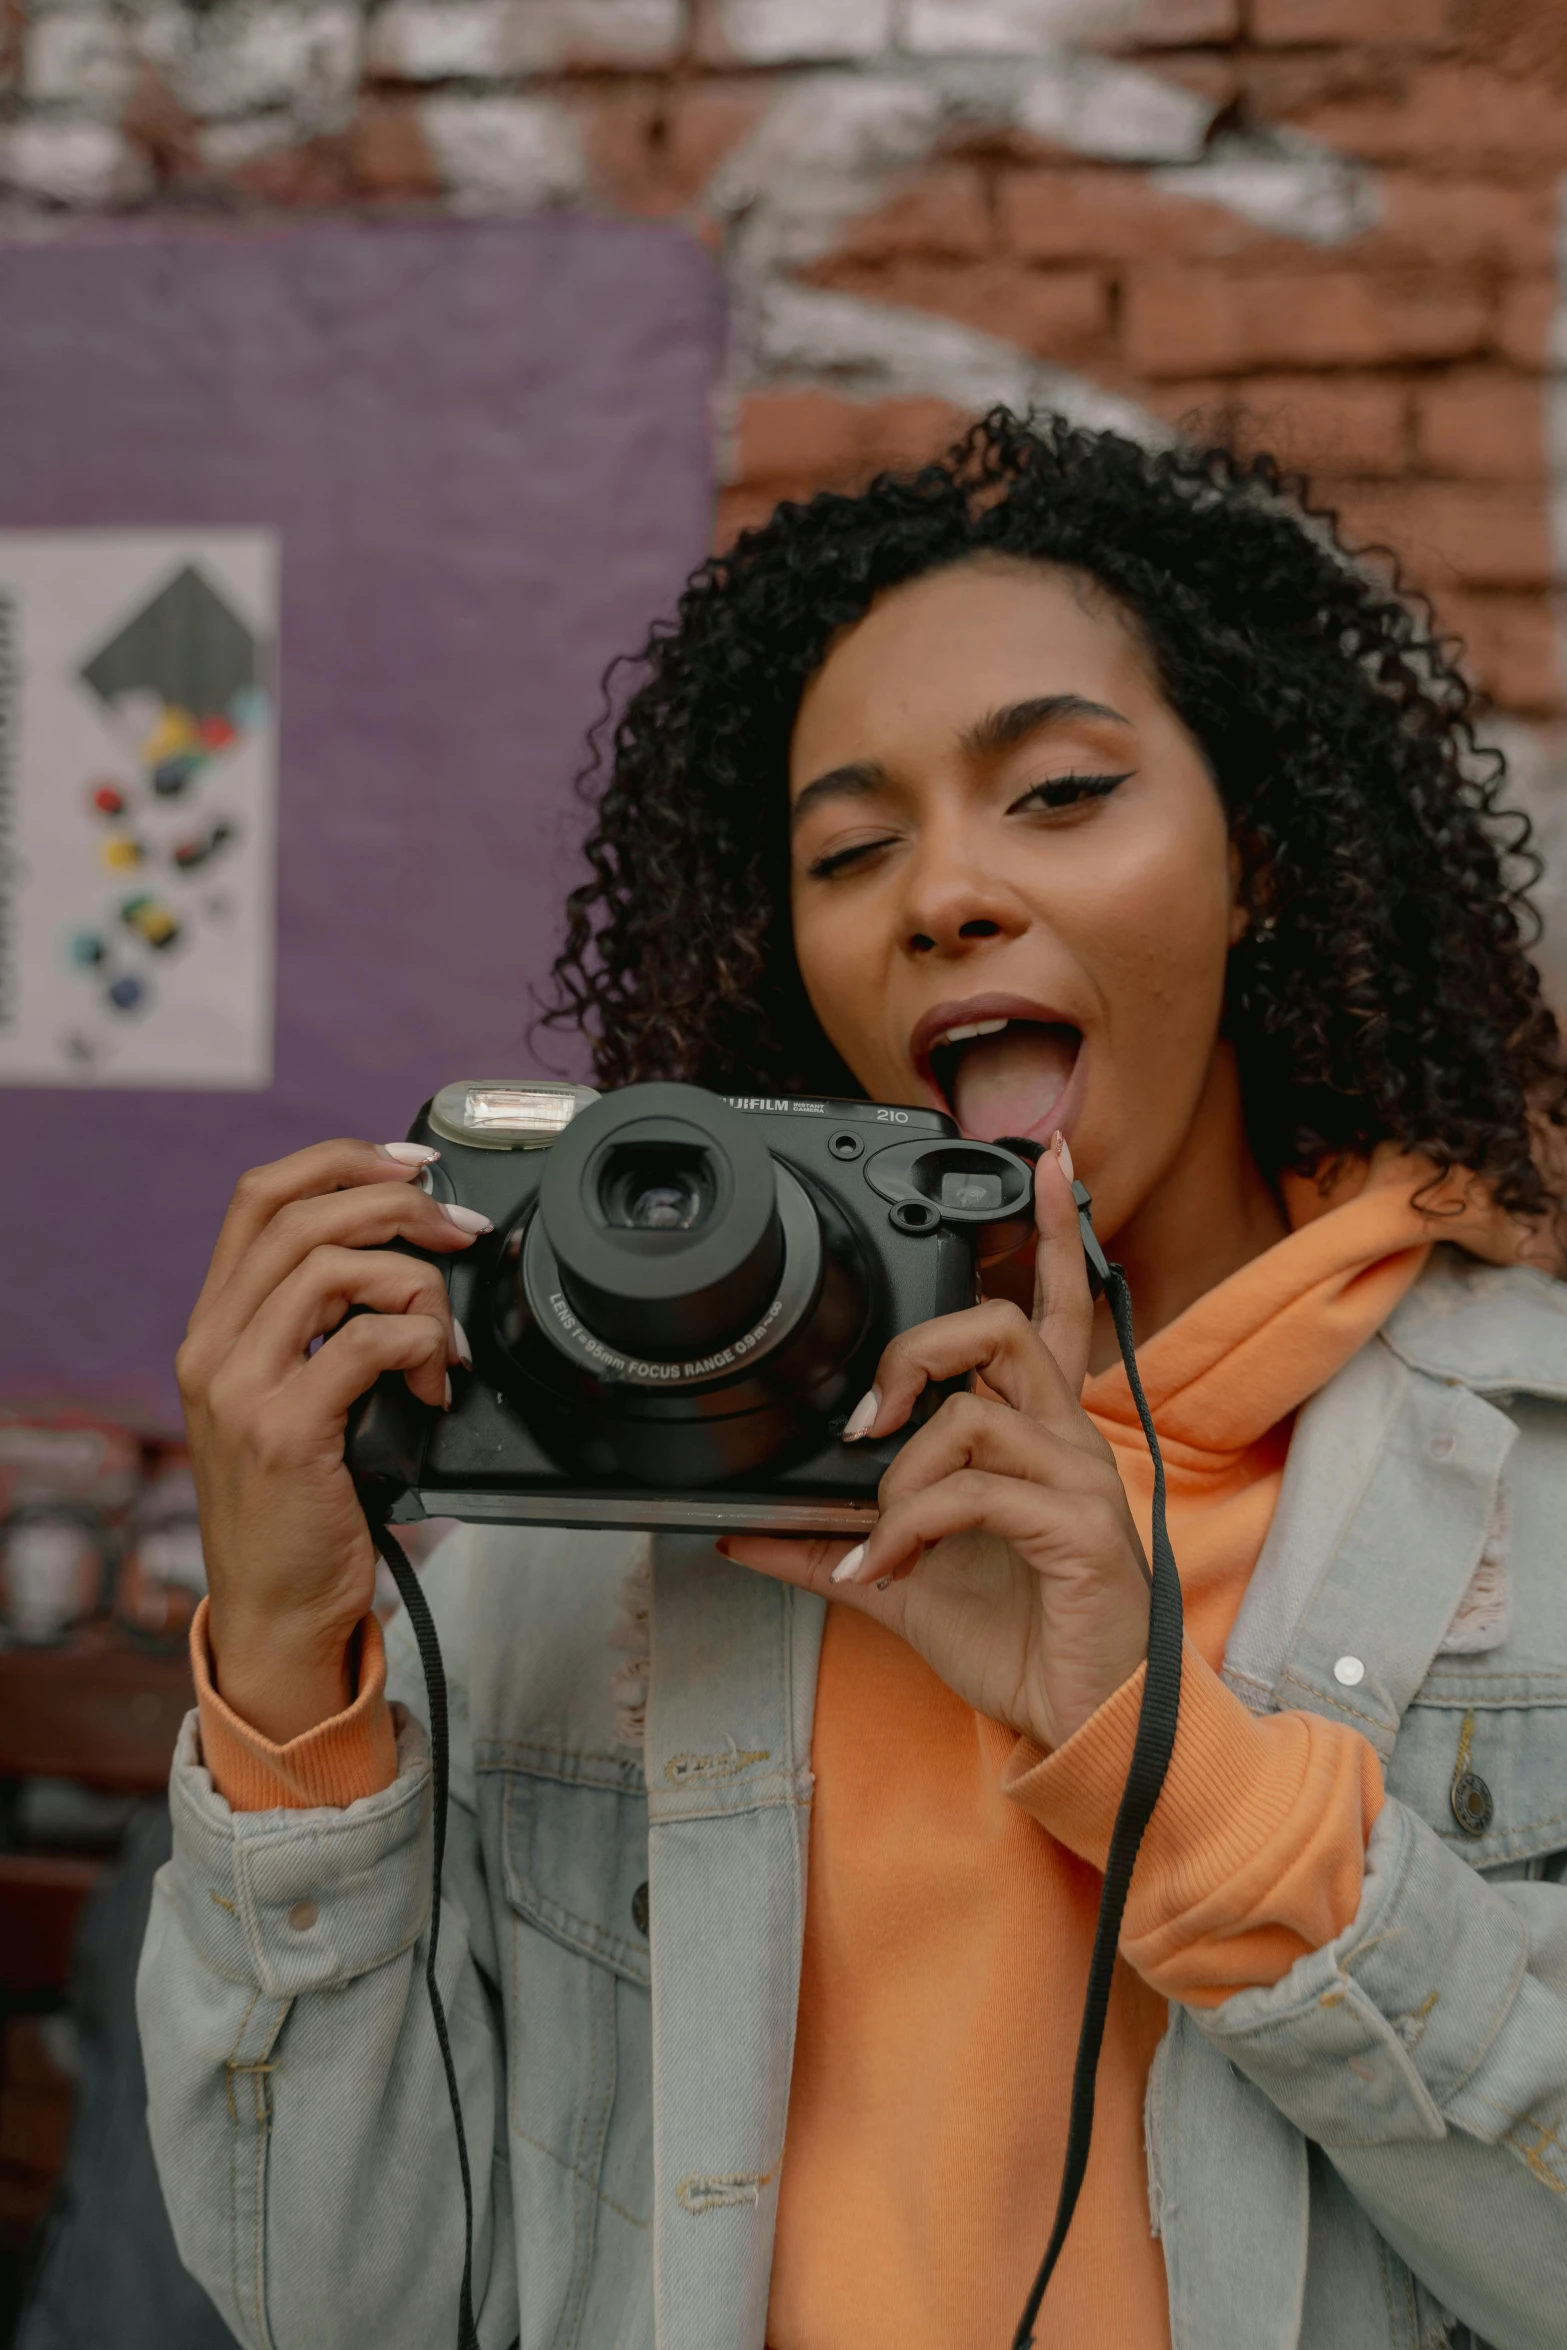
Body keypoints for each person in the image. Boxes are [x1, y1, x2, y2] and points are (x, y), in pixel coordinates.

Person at [140, 413, 1567, 2350]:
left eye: (1059, 791)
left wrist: (1168, 1762)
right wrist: (292, 1680)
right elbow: (339, 2301)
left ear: (1266, 867)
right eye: (850, 845)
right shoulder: (597, 1517)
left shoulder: (1533, 1489)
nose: (943, 891)